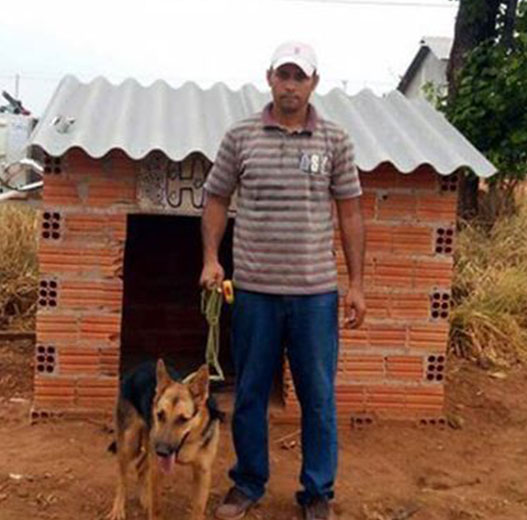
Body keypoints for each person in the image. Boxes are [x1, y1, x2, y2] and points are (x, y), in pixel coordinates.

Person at [199, 40, 366, 520]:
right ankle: (248, 483)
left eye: (300, 76)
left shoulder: (336, 140)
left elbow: (350, 213)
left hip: (315, 295)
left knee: (318, 397)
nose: (290, 85)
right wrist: (211, 258)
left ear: (314, 82)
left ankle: (317, 492)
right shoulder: (240, 137)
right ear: (269, 76)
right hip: (254, 291)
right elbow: (215, 198)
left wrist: (357, 285)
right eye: (283, 74)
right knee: (249, 391)